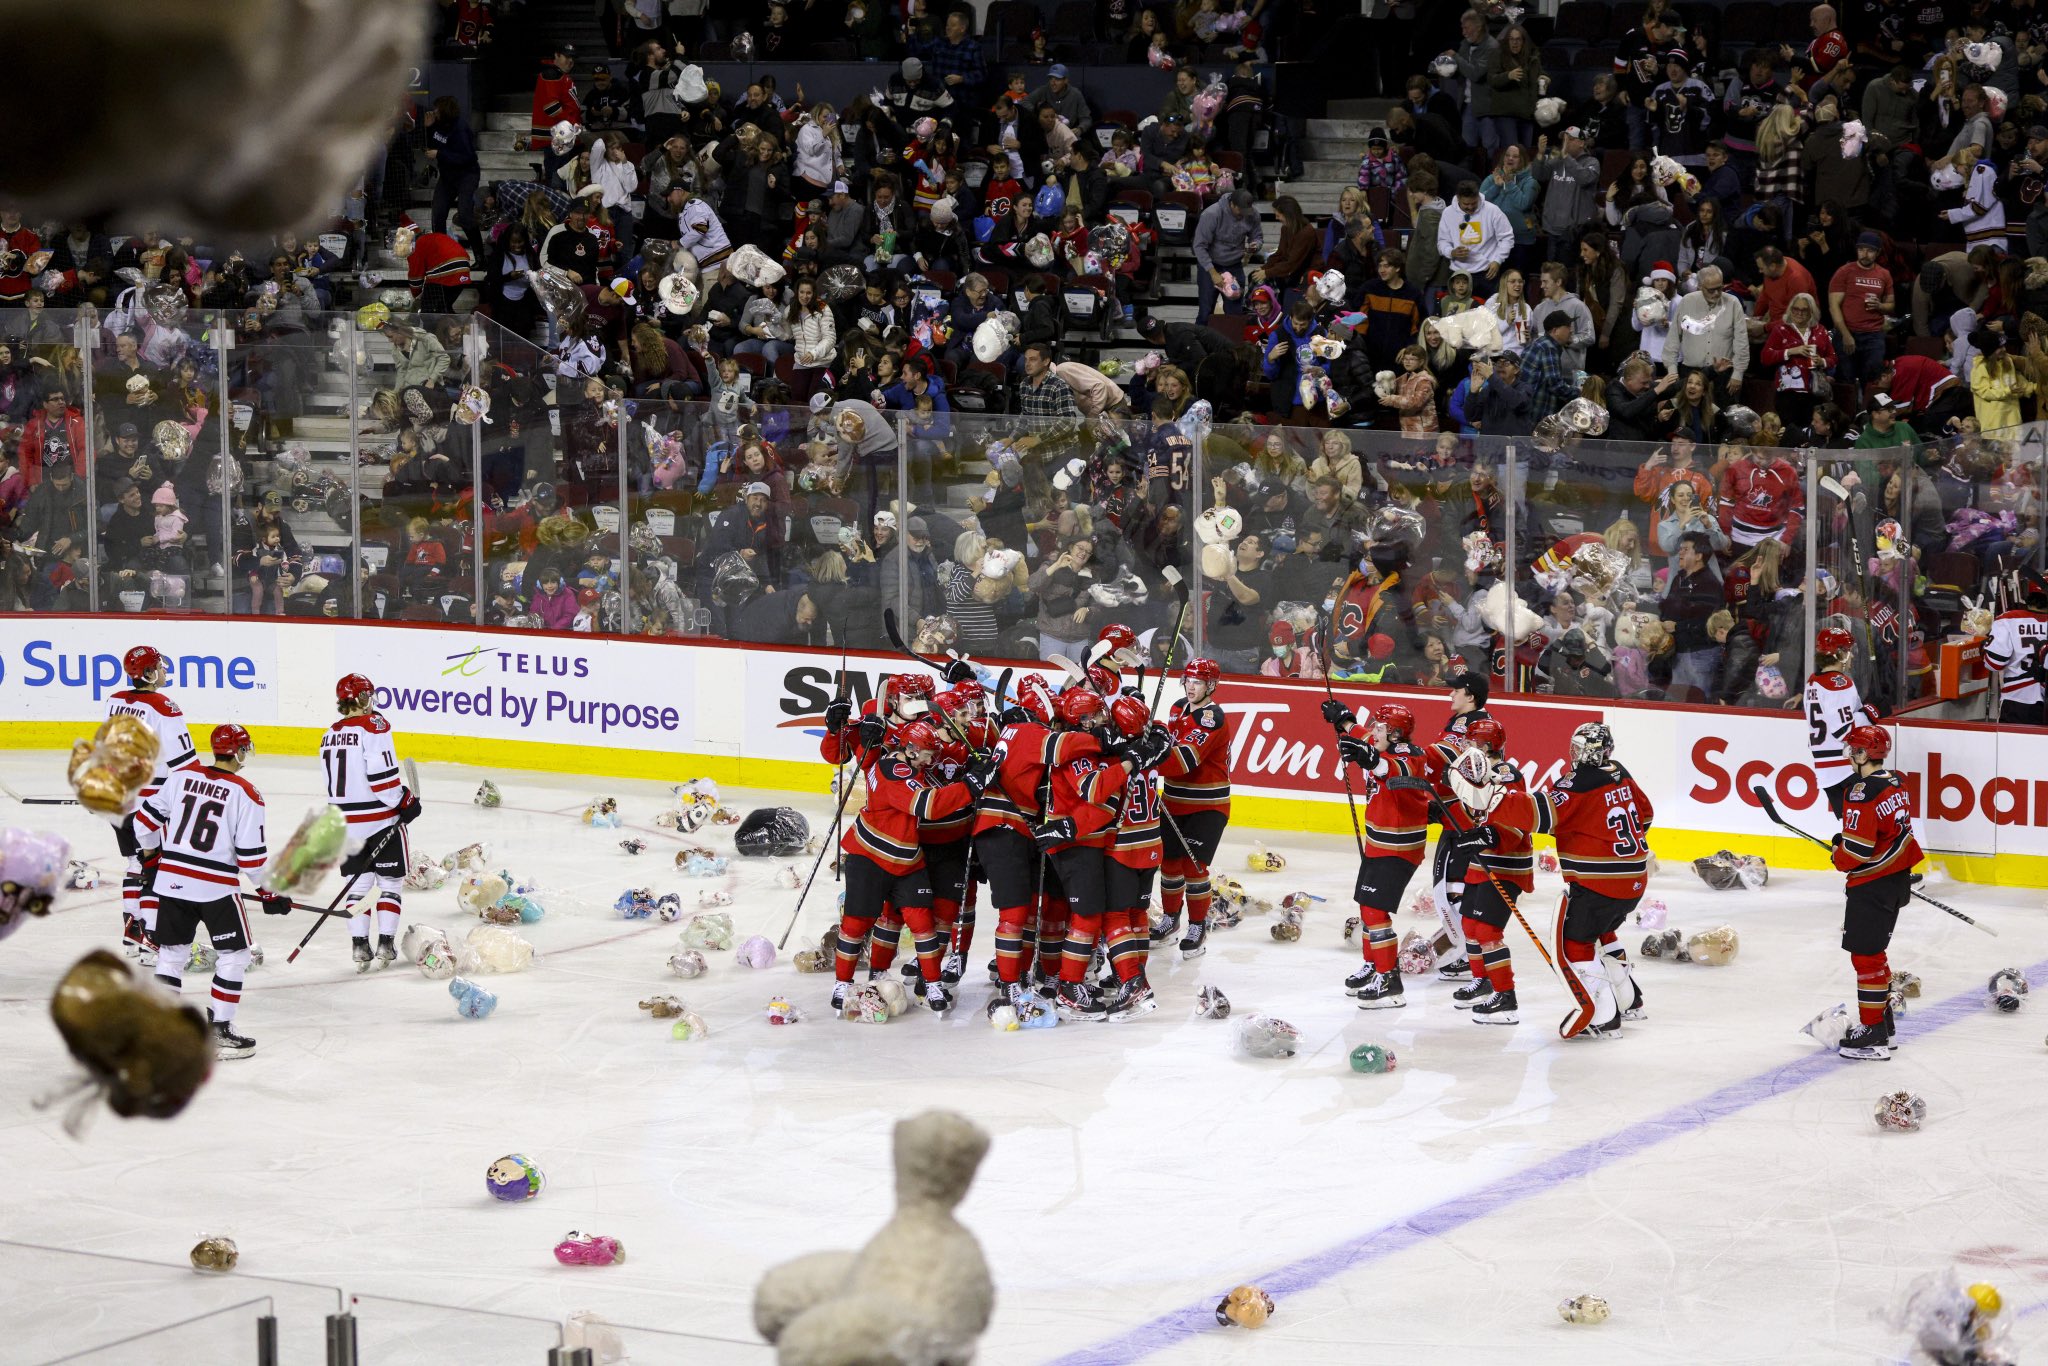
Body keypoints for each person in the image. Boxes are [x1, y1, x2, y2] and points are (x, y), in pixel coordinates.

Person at [1476, 722, 1653, 1038]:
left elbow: (1534, 815)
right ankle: (1630, 1001)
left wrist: (1493, 798)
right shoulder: (1620, 771)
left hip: (1601, 882)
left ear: (1584, 751)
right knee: (1603, 930)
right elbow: (1647, 814)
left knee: (1575, 942)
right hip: (1636, 877)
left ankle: (1603, 1017)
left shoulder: (1577, 783)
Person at [133, 724, 290, 1060]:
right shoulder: (247, 793)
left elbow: (142, 824)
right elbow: (251, 858)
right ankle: (219, 1030)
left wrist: (150, 858)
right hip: (215, 887)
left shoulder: (179, 777)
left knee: (171, 955)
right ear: (238, 752)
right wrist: (270, 893)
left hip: (172, 882)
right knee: (235, 955)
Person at [830, 720, 989, 1015]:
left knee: (923, 924)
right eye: (928, 754)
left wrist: (967, 779)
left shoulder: (903, 763)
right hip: (871, 855)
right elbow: (928, 805)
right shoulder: (897, 771)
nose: (932, 760)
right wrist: (970, 786)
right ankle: (843, 982)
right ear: (911, 749)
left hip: (906, 858)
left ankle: (932, 984)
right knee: (856, 923)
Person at [1323, 701, 1431, 1009]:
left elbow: (1391, 768)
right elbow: (1364, 738)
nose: (1374, 730)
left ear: (1396, 734)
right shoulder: (1380, 742)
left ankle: (1389, 981)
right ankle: (1374, 966)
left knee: (1373, 911)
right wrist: (1344, 721)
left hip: (1398, 847)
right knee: (1367, 906)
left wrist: (1368, 758)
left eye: (1381, 727)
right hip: (1379, 844)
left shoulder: (1411, 755)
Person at [1827, 725, 1922, 1060]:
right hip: (1896, 879)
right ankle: (1883, 1025)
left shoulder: (1860, 792)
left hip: (1872, 884)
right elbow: (1883, 834)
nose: (1850, 755)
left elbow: (1856, 851)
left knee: (1865, 958)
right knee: (1875, 954)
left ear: (1864, 754)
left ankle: (1873, 1037)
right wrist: (1846, 842)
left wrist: (1838, 852)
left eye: (1854, 750)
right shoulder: (1896, 780)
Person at [1433, 717, 1532, 1023]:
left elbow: (1516, 820)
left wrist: (1489, 835)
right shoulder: (1473, 771)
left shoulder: (1506, 774)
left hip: (1506, 863)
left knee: (1488, 930)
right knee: (1471, 926)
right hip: (1482, 859)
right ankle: (1483, 981)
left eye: (1470, 742)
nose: (1464, 747)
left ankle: (1506, 998)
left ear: (1486, 746)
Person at [106, 645, 201, 963]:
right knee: (154, 866)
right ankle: (152, 935)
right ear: (148, 673)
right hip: (150, 802)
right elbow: (186, 763)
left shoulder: (116, 700)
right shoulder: (164, 706)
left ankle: (133, 932)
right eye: (159, 666)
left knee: (135, 863)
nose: (164, 671)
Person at [323, 673, 422, 970]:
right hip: (379, 819)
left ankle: (359, 947)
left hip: (343, 823)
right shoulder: (374, 726)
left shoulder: (329, 733)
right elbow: (382, 780)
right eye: (368, 695)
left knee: (358, 885)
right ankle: (385, 945)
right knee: (390, 883)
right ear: (361, 698)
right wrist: (404, 802)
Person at [1152, 658, 1234, 959]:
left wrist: (1146, 757)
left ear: (1210, 686)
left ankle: (1197, 926)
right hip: (1174, 801)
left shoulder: (1213, 718)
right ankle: (1170, 921)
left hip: (1207, 805)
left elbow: (1185, 759)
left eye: (1197, 682)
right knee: (1170, 865)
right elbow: (1171, 742)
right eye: (1188, 680)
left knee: (1194, 867)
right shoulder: (1177, 708)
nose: (1190, 686)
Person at [1806, 625, 1880, 812]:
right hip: (1845, 768)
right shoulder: (1839, 683)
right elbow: (1845, 731)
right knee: (1871, 823)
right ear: (1838, 653)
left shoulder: (1813, 681)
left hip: (1824, 771)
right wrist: (1872, 711)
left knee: (1852, 826)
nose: (1852, 655)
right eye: (1847, 651)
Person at [1829, 232, 1895, 391]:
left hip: (1873, 334)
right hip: (1847, 331)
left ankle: (1868, 412)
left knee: (1873, 379)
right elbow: (1834, 306)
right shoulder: (1844, 271)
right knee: (1846, 378)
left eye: (1870, 251)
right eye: (1861, 250)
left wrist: (1879, 306)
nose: (1865, 254)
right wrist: (1845, 334)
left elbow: (1891, 305)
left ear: (1878, 253)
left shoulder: (1884, 274)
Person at [1663, 530, 1726, 696]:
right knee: (1677, 699)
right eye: (1680, 549)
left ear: (1698, 556)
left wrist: (1677, 626)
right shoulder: (1679, 578)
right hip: (1680, 651)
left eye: (1685, 549)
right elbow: (1669, 606)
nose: (1680, 553)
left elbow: (1709, 623)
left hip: (1701, 653)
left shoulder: (1710, 584)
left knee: (1698, 700)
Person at [1984, 570, 2048, 725]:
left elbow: (1994, 663)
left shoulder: (2007, 619)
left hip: (2017, 701)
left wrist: (1984, 644)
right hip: (2044, 702)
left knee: (2013, 749)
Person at [1192, 190, 1265, 324]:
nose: (1243, 215)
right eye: (1241, 211)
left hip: (1234, 265)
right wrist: (1212, 272)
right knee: (1205, 311)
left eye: (1246, 211)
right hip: (1211, 265)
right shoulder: (1212, 214)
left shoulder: (1252, 214)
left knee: (1235, 312)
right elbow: (1199, 246)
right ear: (1233, 205)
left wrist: (1255, 245)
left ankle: (1233, 343)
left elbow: (1257, 235)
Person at [1437, 180, 1514, 283]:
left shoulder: (1493, 210)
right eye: (1466, 204)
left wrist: (1497, 260)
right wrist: (1451, 252)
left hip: (1487, 272)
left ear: (1478, 196)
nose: (1470, 207)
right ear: (1458, 198)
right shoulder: (1448, 213)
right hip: (1458, 274)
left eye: (1474, 203)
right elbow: (1442, 241)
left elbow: (1507, 237)